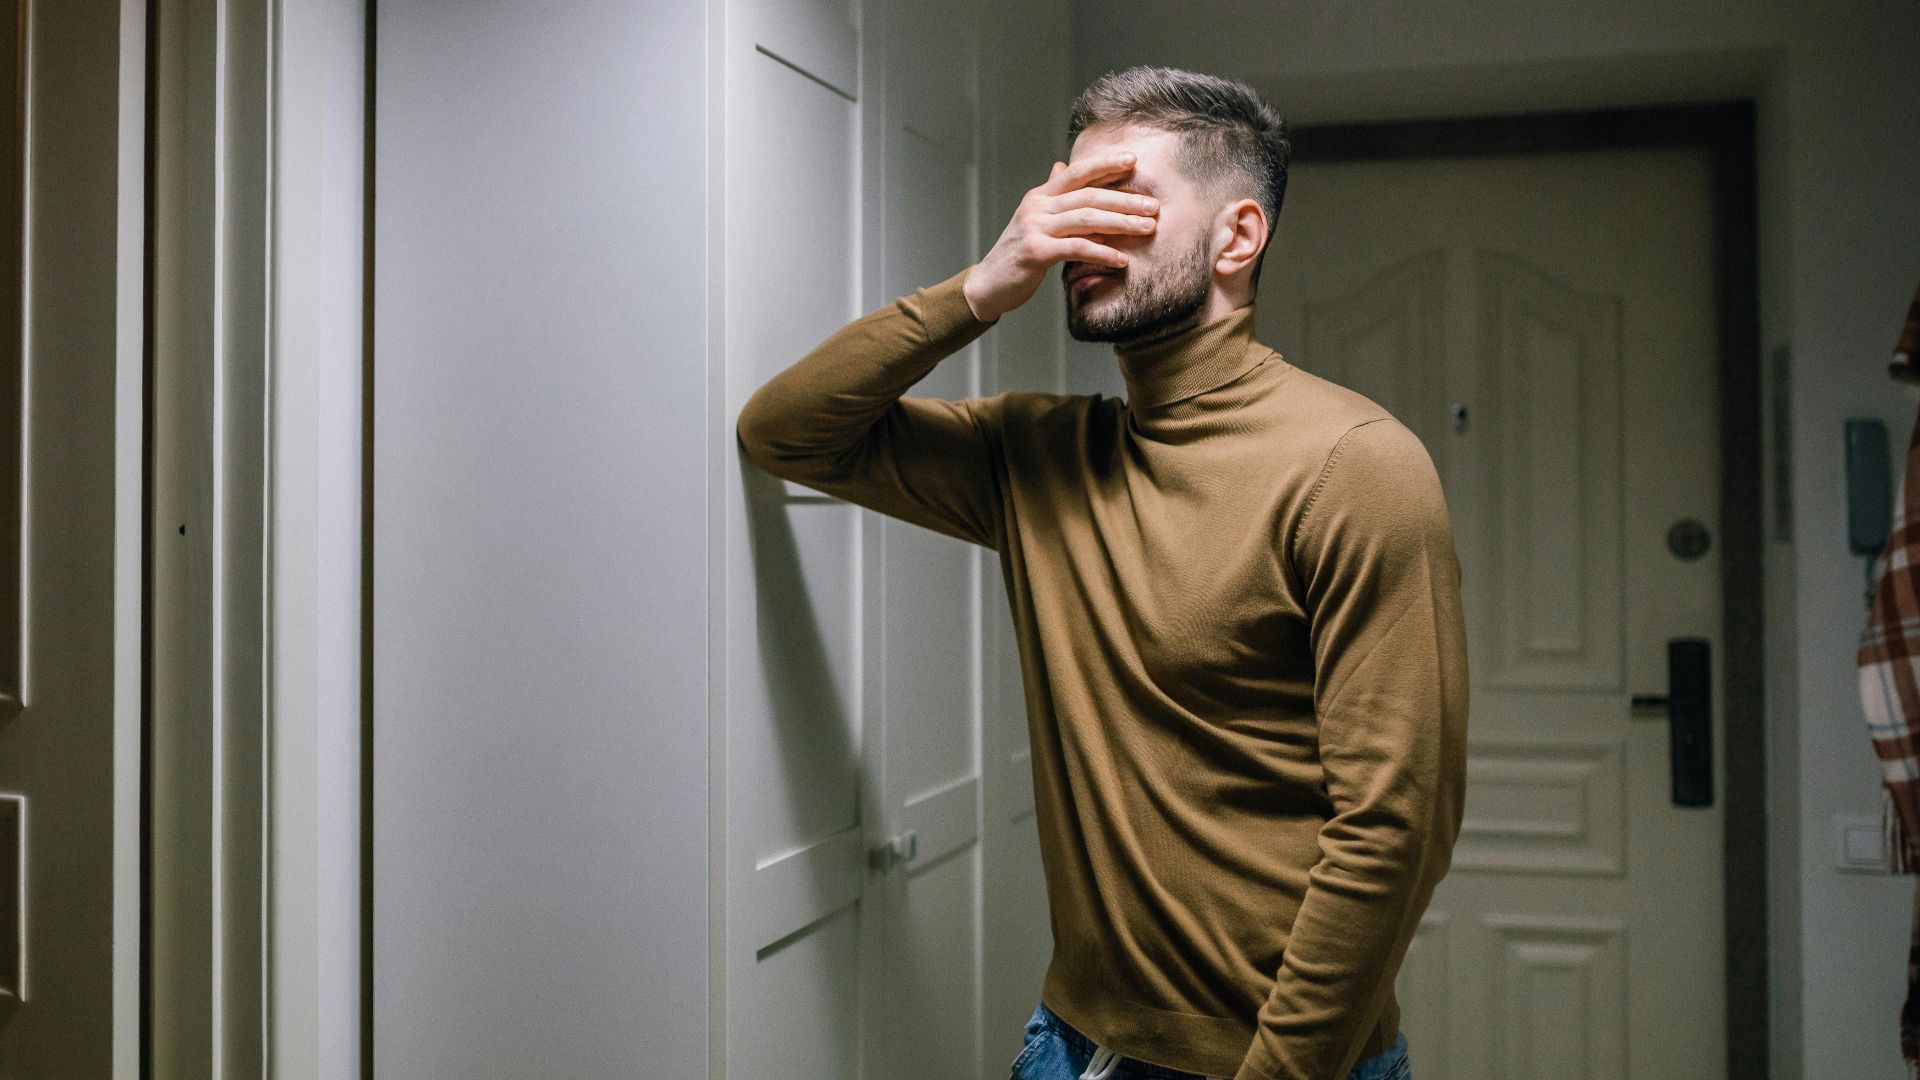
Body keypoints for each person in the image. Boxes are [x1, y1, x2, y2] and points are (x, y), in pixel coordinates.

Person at [736, 64, 1465, 1080]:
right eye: (1065, 199)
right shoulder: (1036, 454)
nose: (1075, 234)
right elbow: (785, 432)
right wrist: (979, 290)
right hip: (1073, 1046)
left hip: (1283, 1062)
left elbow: (1396, 825)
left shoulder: (1357, 465)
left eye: (1120, 202)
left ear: (1237, 237)